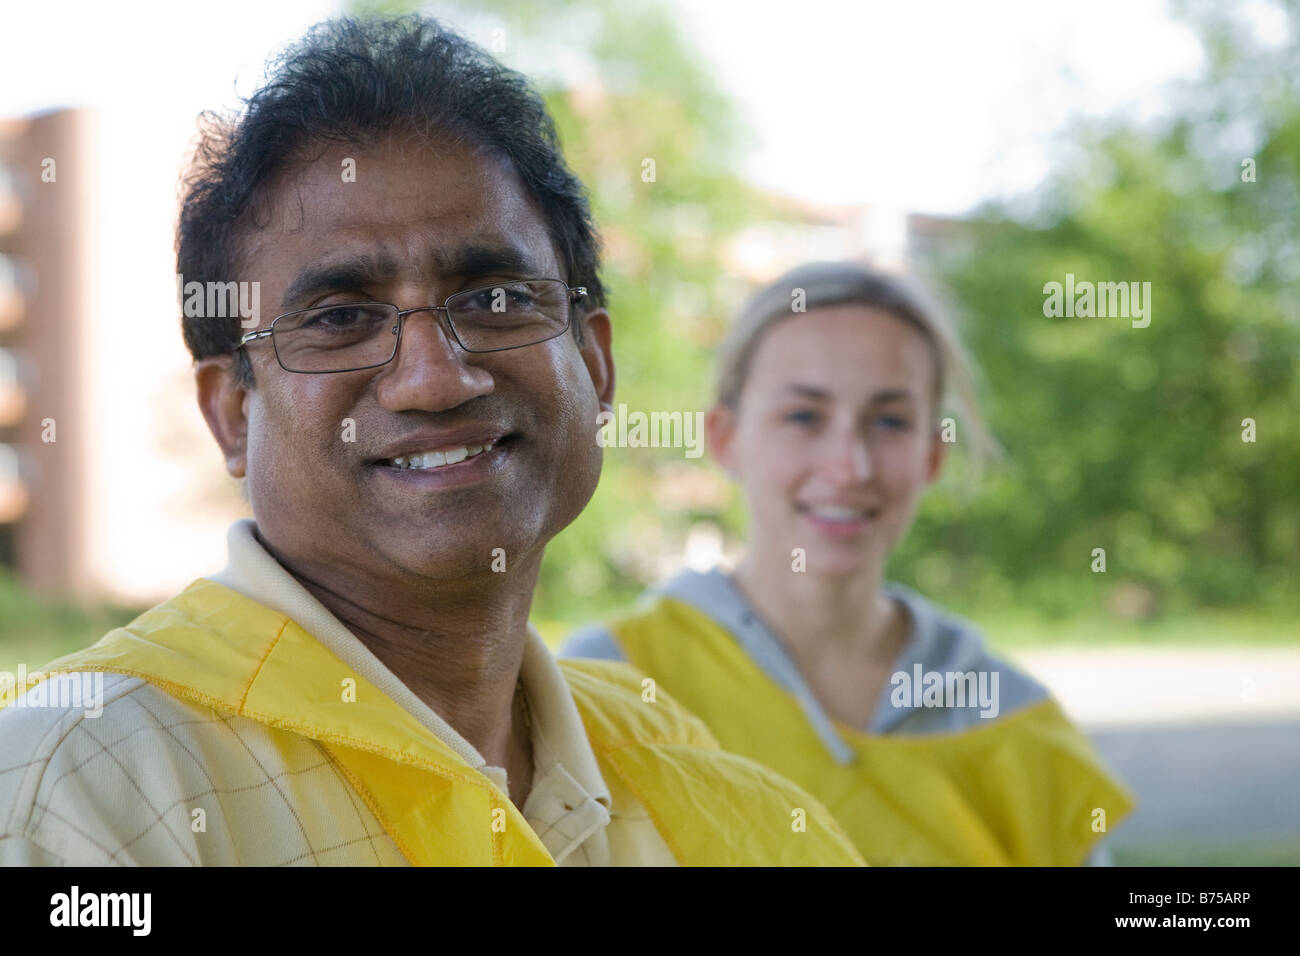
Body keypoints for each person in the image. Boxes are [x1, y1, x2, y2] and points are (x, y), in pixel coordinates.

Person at [0, 17, 863, 867]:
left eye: (494, 298)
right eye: (339, 318)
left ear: (595, 365)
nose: (435, 379)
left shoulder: (701, 793)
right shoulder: (79, 794)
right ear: (231, 412)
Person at [561, 260, 1136, 866]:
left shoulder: (1010, 719)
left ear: (932, 455)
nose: (851, 465)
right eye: (804, 416)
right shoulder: (606, 685)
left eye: (890, 421)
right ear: (725, 437)